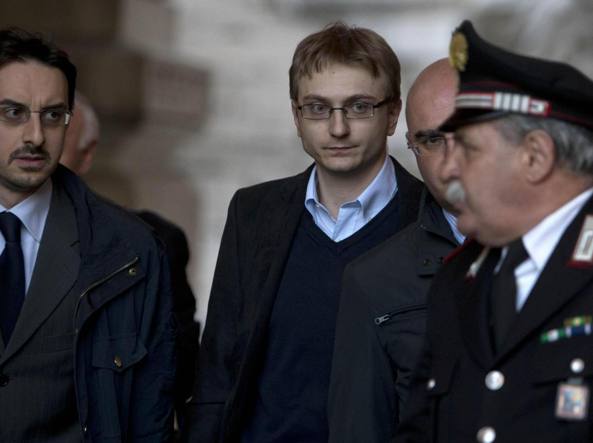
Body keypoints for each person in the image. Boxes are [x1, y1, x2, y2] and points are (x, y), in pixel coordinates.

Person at [183, 22, 424, 443]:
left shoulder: (432, 218)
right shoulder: (253, 213)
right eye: (317, 108)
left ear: (392, 115)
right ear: (297, 117)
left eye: (359, 106)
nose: (337, 128)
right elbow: (218, 372)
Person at [395, 20, 593, 443]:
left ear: (535, 157)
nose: (446, 169)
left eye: (467, 148)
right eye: (436, 144)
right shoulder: (458, 280)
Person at [0, 28, 175, 441]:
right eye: (13, 112)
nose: (35, 136)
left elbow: (150, 418)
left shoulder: (131, 250)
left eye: (53, 116)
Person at [328, 58, 463, 443]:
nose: (453, 161)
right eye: (432, 140)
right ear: (412, 148)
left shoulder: (573, 254)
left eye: (468, 132)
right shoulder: (373, 282)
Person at [59, 92, 200, 433]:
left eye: (57, 134)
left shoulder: (150, 244)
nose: (34, 143)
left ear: (86, 154)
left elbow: (178, 379)